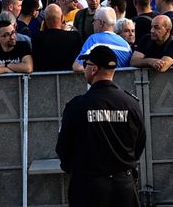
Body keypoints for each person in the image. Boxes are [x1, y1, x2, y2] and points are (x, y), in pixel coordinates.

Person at [56, 45, 146, 207]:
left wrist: (73, 168)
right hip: (123, 185)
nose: (84, 69)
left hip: (88, 186)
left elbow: (63, 147)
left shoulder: (77, 106)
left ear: (94, 69)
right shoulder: (131, 104)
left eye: (86, 65)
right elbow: (139, 144)